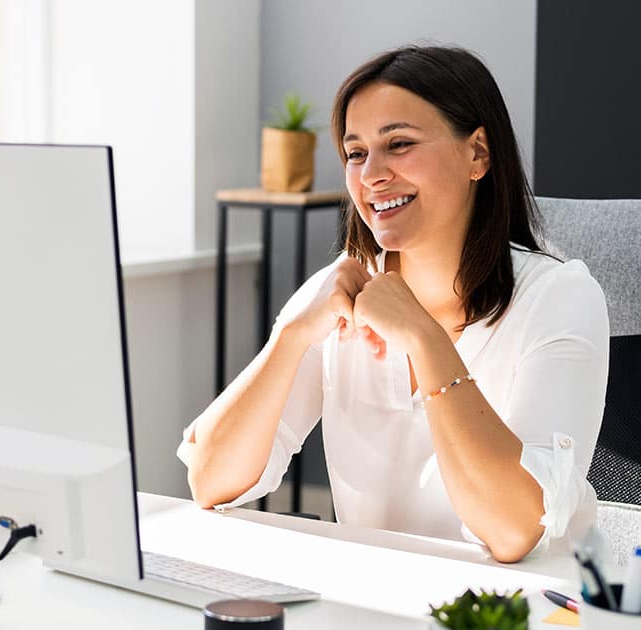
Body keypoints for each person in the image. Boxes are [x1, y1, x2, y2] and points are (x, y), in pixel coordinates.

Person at [177, 45, 608, 562]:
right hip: (381, 603)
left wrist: (423, 339)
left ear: (477, 154)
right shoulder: (339, 295)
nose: (371, 175)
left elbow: (515, 529)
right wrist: (289, 336)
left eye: (398, 144)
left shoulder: (560, 298)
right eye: (355, 153)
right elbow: (210, 481)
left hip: (534, 609)